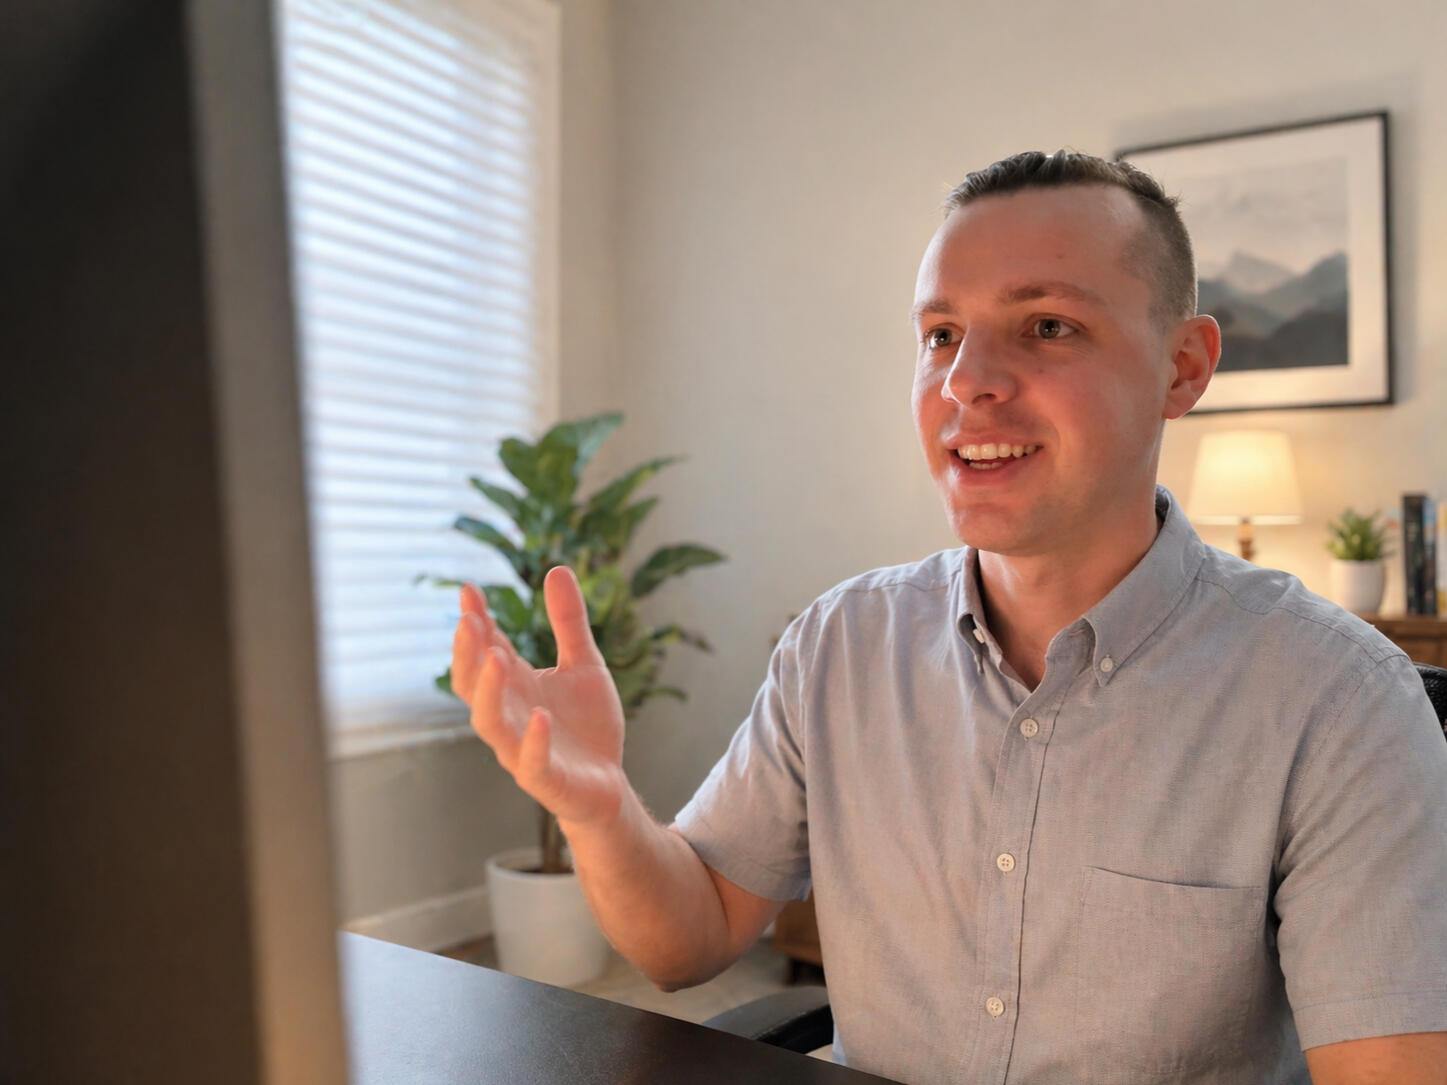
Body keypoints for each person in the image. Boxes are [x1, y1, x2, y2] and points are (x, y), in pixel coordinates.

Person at [452, 151, 1447, 1084]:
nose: (967, 379)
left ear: (1181, 368)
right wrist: (598, 808)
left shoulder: (1337, 698)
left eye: (1046, 325)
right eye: (939, 335)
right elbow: (688, 937)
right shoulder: (838, 645)